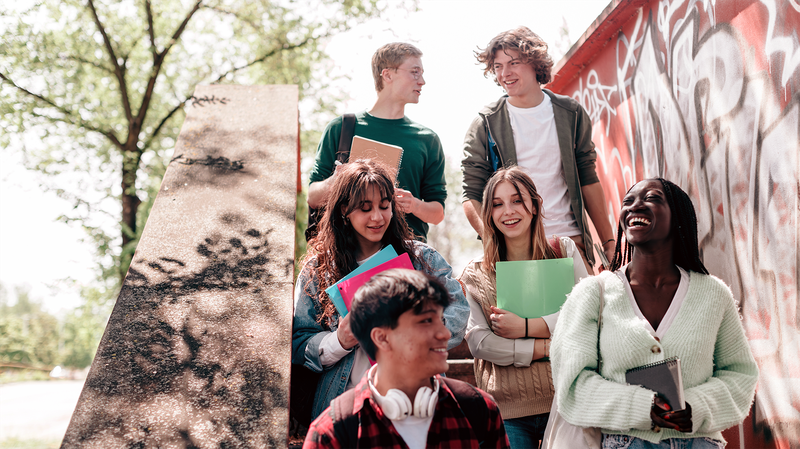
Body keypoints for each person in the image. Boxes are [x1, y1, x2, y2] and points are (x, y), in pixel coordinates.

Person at [551, 178, 758, 448]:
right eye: (628, 201)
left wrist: (694, 407)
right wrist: (643, 407)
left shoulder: (713, 294)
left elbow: (739, 375)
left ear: (678, 217)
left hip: (699, 442)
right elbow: (573, 382)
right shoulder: (592, 294)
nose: (636, 205)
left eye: (652, 198)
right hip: (626, 442)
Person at [292, 160, 469, 422]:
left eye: (384, 206)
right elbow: (299, 344)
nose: (377, 217)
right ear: (344, 210)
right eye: (365, 209)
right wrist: (339, 341)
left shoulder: (422, 260)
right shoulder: (317, 271)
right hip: (346, 410)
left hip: (416, 402)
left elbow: (458, 312)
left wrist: (416, 330)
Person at [461, 26, 615, 273]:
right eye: (498, 66)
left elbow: (587, 176)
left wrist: (608, 241)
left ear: (535, 64)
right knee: (522, 315)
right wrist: (495, 243)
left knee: (586, 312)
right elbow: (471, 192)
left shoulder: (570, 113)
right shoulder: (486, 123)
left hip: (570, 243)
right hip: (517, 250)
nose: (505, 73)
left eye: (513, 63)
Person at [304, 269, 510, 449]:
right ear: (382, 338)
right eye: (427, 321)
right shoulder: (331, 432)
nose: (445, 334)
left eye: (441, 320)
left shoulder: (480, 410)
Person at [459, 167, 589, 448]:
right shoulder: (475, 273)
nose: (508, 211)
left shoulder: (563, 250)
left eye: (517, 200)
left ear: (534, 205)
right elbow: (481, 343)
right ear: (489, 214)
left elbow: (588, 312)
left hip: (568, 401)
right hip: (508, 412)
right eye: (497, 204)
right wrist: (545, 347)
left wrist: (527, 327)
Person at [307, 42, 447, 242]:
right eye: (415, 72)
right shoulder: (341, 128)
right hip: (347, 256)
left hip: (405, 258)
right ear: (388, 75)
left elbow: (438, 213)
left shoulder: (427, 139)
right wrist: (335, 182)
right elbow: (313, 198)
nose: (422, 81)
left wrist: (414, 204)